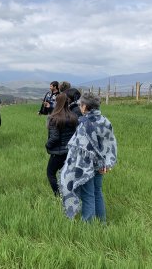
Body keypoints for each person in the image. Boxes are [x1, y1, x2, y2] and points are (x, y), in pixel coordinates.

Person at [60, 92, 117, 222]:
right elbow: (110, 144)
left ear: (85, 107)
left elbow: (79, 149)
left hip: (86, 167)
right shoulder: (105, 121)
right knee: (98, 192)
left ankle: (88, 225)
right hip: (100, 165)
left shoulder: (84, 124)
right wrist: (106, 163)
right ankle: (101, 222)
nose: (80, 106)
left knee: (88, 195)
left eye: (80, 104)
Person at [45, 93, 78, 196]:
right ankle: (68, 194)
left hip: (57, 152)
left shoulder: (54, 118)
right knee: (65, 174)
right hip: (70, 151)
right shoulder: (73, 117)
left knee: (50, 173)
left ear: (57, 102)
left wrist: (47, 145)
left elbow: (54, 137)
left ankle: (58, 195)